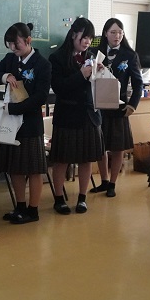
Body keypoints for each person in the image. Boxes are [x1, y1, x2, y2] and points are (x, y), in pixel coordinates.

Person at [0, 22, 52, 224]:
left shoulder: (42, 64)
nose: (13, 48)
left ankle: (33, 210)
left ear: (28, 40)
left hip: (30, 124)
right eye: (10, 45)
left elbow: (40, 97)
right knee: (15, 168)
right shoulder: (10, 59)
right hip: (11, 125)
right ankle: (20, 207)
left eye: (16, 44)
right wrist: (5, 76)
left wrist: (14, 109)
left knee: (34, 169)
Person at [48, 17, 104, 215]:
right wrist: (81, 75)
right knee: (61, 159)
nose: (87, 41)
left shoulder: (92, 56)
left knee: (86, 159)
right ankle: (58, 198)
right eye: (84, 37)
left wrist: (101, 73)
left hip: (89, 115)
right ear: (73, 34)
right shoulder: (57, 58)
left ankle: (82, 198)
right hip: (67, 115)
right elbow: (59, 88)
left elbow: (96, 86)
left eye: (90, 38)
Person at [89, 18, 144, 198]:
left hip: (119, 107)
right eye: (113, 32)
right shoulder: (94, 53)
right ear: (105, 33)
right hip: (98, 106)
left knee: (117, 147)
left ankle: (113, 183)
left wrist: (132, 105)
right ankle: (104, 180)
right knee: (100, 146)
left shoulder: (130, 55)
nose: (117, 36)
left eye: (120, 32)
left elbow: (138, 84)